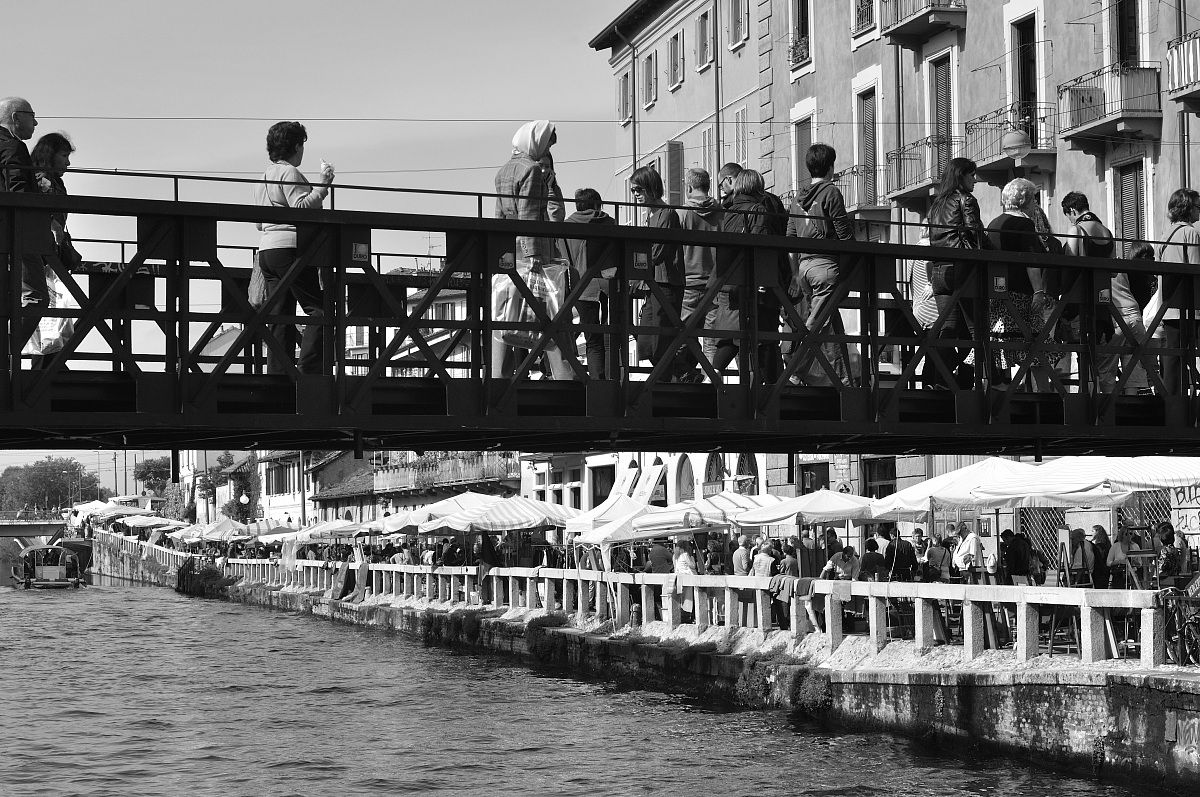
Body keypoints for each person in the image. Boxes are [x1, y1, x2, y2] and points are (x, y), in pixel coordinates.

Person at [493, 120, 573, 380]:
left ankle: (499, 382)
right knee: (551, 314)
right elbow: (529, 214)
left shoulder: (504, 171)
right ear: (536, 141)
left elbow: (500, 216)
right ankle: (566, 381)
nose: (547, 149)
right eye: (547, 143)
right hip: (532, 254)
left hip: (509, 254)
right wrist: (535, 256)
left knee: (505, 316)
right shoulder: (532, 170)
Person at [253, 120, 334, 375]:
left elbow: (258, 223)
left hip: (266, 251)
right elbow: (300, 206)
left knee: (280, 313)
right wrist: (323, 186)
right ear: (296, 146)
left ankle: (278, 374)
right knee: (319, 309)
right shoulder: (290, 173)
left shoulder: (263, 177)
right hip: (290, 249)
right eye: (302, 146)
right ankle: (308, 370)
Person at [785, 143, 853, 387]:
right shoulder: (831, 192)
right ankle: (794, 374)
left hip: (804, 268)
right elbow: (844, 234)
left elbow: (789, 239)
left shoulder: (797, 199)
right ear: (831, 166)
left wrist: (795, 274)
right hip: (826, 267)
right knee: (816, 324)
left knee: (829, 323)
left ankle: (844, 380)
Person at [712, 168, 788, 382]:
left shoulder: (727, 213)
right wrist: (764, 282)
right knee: (764, 337)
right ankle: (768, 391)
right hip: (755, 287)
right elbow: (761, 249)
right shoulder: (759, 210)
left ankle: (712, 376)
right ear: (757, 187)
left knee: (731, 337)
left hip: (729, 285)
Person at [986, 178, 1059, 391]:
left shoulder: (994, 223)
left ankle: (1003, 393)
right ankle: (1043, 394)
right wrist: (1038, 291)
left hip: (998, 295)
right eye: (1034, 199)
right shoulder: (1025, 224)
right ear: (1025, 199)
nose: (1036, 204)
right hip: (1021, 296)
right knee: (1037, 345)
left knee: (1003, 344)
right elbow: (1031, 261)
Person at [0, 97, 49, 369]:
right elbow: (18, 188)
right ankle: (5, 353)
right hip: (17, 236)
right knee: (36, 298)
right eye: (32, 116)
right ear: (17, 117)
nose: (36, 122)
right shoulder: (13, 147)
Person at [926, 157, 983, 388]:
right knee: (974, 332)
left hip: (940, 271)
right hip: (963, 270)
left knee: (948, 331)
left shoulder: (936, 204)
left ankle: (939, 380)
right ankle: (972, 385)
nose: (975, 180)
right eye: (972, 175)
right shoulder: (966, 199)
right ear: (961, 175)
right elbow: (973, 232)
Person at [630, 165, 689, 381]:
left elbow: (657, 252)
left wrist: (636, 271)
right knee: (646, 341)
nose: (635, 195)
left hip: (666, 283)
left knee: (658, 341)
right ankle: (676, 373)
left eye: (638, 190)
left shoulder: (667, 214)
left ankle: (673, 376)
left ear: (650, 187)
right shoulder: (652, 215)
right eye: (632, 191)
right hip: (653, 284)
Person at [29, 132, 80, 369]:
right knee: (50, 307)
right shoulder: (43, 181)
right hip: (43, 256)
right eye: (64, 155)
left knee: (55, 310)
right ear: (51, 155)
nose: (68, 162)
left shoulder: (51, 180)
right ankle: (47, 361)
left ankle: (48, 359)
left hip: (49, 256)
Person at [559, 188, 617, 379]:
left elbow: (562, 259)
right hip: (609, 285)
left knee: (592, 340)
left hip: (581, 290)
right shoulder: (609, 223)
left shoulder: (566, 226)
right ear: (597, 204)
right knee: (610, 338)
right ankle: (612, 384)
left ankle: (596, 385)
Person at [1148, 188, 1200, 394]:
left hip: (1169, 307)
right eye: (1198, 206)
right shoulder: (1191, 233)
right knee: (1189, 355)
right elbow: (1196, 270)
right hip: (1191, 307)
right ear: (1187, 208)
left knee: (1173, 356)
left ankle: (1171, 405)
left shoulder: (1165, 235)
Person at [677, 167, 724, 375]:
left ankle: (683, 380)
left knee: (682, 337)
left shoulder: (681, 214)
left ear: (688, 187)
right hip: (716, 283)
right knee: (711, 341)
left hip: (688, 282)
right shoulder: (722, 213)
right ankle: (711, 385)